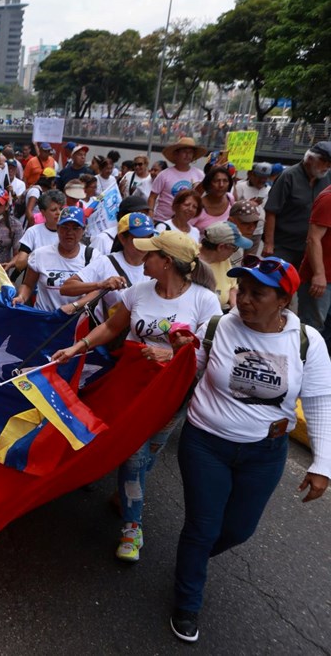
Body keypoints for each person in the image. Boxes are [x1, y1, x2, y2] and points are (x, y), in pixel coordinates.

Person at [169, 256, 330, 643]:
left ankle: (193, 559)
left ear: (283, 301)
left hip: (265, 454)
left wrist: (323, 463)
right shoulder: (218, 327)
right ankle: (187, 599)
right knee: (202, 526)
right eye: (242, 290)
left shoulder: (307, 342)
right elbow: (190, 371)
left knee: (238, 530)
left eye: (258, 294)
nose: (244, 300)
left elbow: (321, 401)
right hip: (206, 443)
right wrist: (177, 352)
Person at [52, 231, 221, 563]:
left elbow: (201, 353)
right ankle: (132, 527)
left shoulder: (205, 301)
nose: (143, 259)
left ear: (167, 262)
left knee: (146, 458)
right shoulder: (137, 292)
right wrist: (76, 348)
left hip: (173, 396)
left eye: (150, 255)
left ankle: (126, 495)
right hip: (131, 388)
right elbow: (113, 328)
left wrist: (172, 356)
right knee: (133, 455)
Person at [61, 212, 154, 325]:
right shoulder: (105, 263)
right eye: (138, 238)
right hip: (112, 337)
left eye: (148, 238)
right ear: (122, 238)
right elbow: (66, 287)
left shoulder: (158, 265)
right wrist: (100, 285)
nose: (144, 243)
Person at [13, 206, 98, 312]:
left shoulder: (93, 257)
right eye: (65, 227)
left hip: (75, 321)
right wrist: (21, 297)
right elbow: (28, 285)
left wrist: (74, 306)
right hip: (44, 319)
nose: (69, 232)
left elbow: (96, 291)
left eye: (75, 228)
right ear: (57, 228)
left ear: (83, 230)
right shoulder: (40, 254)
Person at [263, 141, 331, 268]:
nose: (327, 166)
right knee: (276, 282)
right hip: (284, 245)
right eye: (324, 161)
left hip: (312, 246)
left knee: (302, 285)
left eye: (330, 163)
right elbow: (271, 211)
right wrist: (269, 243)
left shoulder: (327, 177)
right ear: (310, 159)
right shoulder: (288, 176)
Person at [299, 184, 331, 346]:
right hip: (321, 280)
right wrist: (319, 274)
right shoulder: (328, 198)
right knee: (312, 331)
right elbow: (313, 239)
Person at [148, 138, 207, 222]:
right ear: (176, 153)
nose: (187, 155)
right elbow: (152, 197)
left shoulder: (200, 174)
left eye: (190, 152)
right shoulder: (164, 174)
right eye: (184, 152)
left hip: (187, 222)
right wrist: (150, 212)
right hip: (162, 221)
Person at [199, 221, 253, 312]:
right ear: (221, 247)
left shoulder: (223, 259)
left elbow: (232, 287)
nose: (233, 253)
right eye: (234, 248)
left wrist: (235, 308)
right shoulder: (191, 261)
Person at [8, 189, 65, 274]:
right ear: (43, 212)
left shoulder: (69, 233)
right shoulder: (33, 232)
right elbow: (20, 264)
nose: (58, 213)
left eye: (61, 209)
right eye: (53, 210)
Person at [189, 166, 234, 231]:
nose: (221, 185)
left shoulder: (230, 198)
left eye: (225, 181)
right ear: (208, 184)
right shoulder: (197, 206)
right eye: (216, 181)